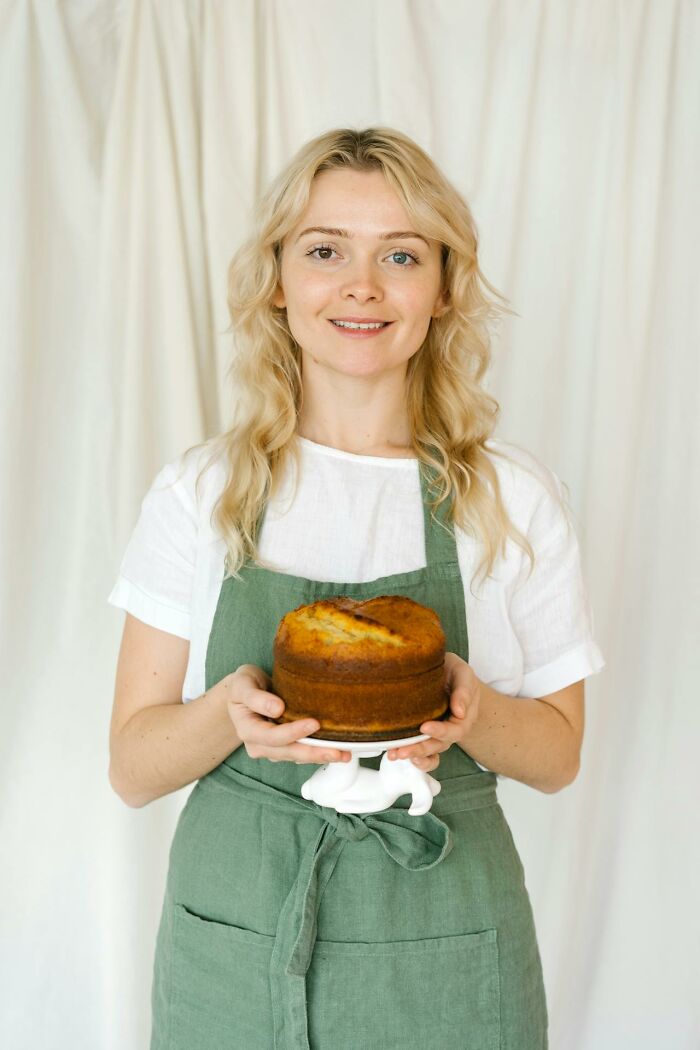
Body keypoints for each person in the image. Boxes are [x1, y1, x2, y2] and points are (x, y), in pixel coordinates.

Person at [108, 126, 605, 1050]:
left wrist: (472, 712)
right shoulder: (204, 493)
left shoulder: (511, 499)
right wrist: (229, 714)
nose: (362, 286)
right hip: (237, 934)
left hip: (448, 937)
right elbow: (132, 769)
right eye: (326, 250)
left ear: (443, 288)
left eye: (402, 255)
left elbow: (560, 755)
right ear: (279, 279)